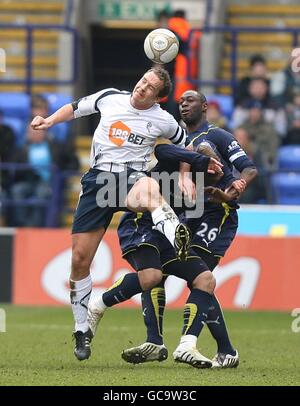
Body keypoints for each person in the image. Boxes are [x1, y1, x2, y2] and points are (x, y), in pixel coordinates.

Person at [30, 67, 223, 361]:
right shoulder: (110, 98)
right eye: (143, 81)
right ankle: (82, 330)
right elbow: (74, 108)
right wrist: (48, 121)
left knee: (147, 186)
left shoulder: (163, 119)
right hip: (98, 182)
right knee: (80, 260)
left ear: (159, 98)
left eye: (150, 87)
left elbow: (187, 146)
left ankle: (175, 234)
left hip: (129, 178)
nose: (142, 87)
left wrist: (185, 176)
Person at [121, 90, 257, 368]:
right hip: (187, 214)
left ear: (204, 106)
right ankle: (164, 342)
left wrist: (234, 190)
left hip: (217, 214)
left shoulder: (217, 136)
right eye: (181, 101)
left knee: (199, 277)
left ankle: (189, 344)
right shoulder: (176, 139)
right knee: (166, 271)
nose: (183, 104)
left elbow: (249, 168)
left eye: (190, 100)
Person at [88, 143, 234, 368]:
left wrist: (222, 193)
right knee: (151, 277)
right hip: (140, 224)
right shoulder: (174, 166)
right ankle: (97, 305)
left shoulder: (205, 188)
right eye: (212, 167)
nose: (217, 172)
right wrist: (193, 165)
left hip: (167, 235)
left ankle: (187, 345)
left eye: (218, 168)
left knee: (205, 280)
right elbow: (162, 150)